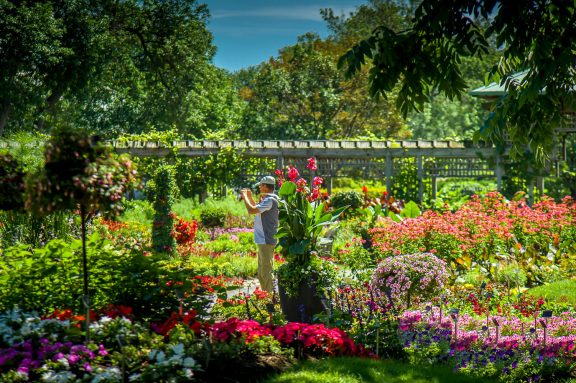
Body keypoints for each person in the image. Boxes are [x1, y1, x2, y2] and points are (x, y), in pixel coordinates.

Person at [240, 176, 279, 293]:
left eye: (261, 185)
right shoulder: (268, 199)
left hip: (266, 240)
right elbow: (256, 209)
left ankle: (269, 298)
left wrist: (245, 197)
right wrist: (250, 198)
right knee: (262, 272)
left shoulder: (270, 200)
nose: (259, 187)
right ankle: (266, 296)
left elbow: (251, 210)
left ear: (266, 187)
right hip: (263, 240)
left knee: (265, 272)